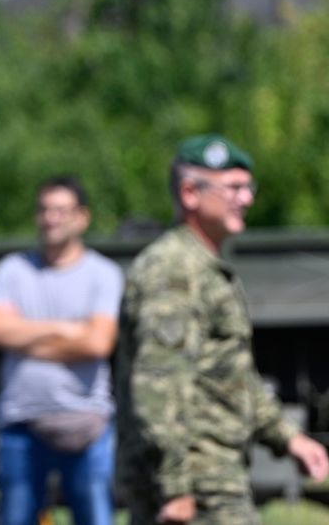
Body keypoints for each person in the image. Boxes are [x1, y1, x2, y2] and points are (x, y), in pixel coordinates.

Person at [115, 134, 329, 525]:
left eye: (248, 187)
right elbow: (158, 386)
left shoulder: (205, 268)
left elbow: (229, 374)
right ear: (190, 193)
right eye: (233, 188)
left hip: (211, 475)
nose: (246, 199)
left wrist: (287, 436)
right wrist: (176, 488)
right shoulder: (173, 271)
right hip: (197, 482)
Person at [0, 175, 123, 525]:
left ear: (82, 217)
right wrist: (64, 329)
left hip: (87, 423)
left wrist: (26, 338)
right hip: (21, 423)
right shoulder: (12, 270)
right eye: (44, 210)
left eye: (61, 210)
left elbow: (98, 343)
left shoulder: (103, 273)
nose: (51, 218)